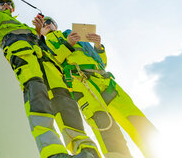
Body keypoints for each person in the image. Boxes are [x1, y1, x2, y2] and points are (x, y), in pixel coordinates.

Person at [0, 0, 99, 158]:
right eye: (2, 3)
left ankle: (86, 150)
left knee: (65, 102)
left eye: (8, 4)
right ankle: (54, 152)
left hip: (46, 64)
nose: (5, 5)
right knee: (38, 100)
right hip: (25, 61)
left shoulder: (27, 27)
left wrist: (38, 32)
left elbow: (40, 44)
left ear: (12, 8)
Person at [38, 16, 158, 158]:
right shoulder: (42, 45)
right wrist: (68, 45)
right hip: (81, 83)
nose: (47, 24)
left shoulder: (72, 35)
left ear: (55, 25)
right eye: (44, 24)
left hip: (105, 80)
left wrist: (98, 47)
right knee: (104, 124)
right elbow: (53, 64)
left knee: (136, 118)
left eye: (49, 22)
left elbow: (101, 63)